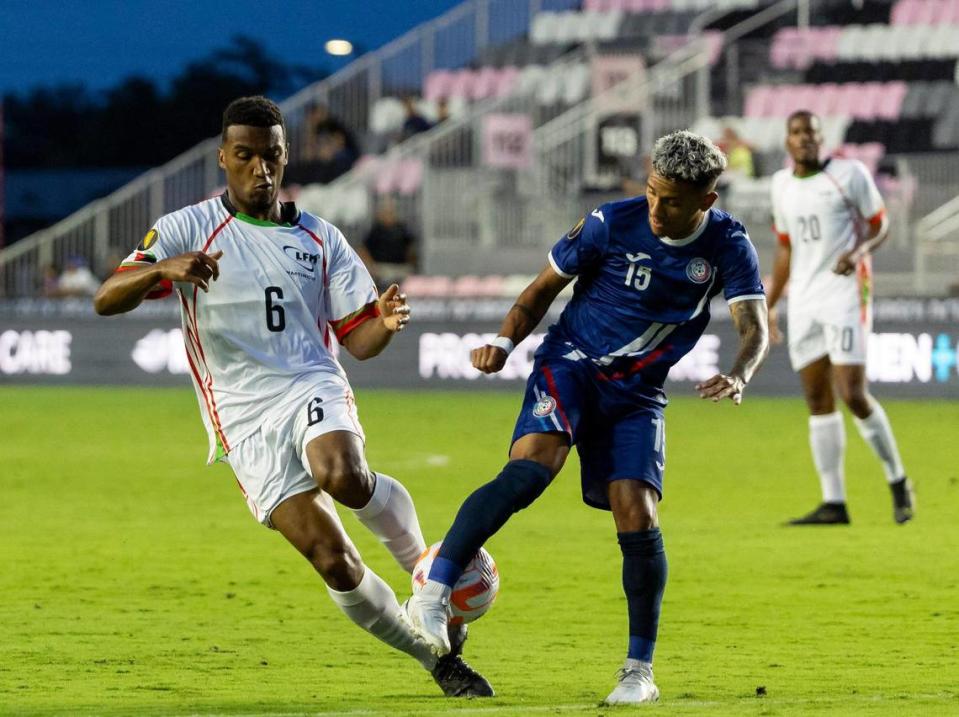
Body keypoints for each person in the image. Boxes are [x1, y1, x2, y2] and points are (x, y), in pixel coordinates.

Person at [93, 96, 492, 698]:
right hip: (241, 418)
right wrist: (160, 270)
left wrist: (382, 321)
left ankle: (428, 580)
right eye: (246, 156)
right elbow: (106, 298)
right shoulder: (184, 228)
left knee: (343, 474)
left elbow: (358, 342)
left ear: (284, 158)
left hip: (310, 382)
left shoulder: (319, 236)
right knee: (334, 560)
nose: (261, 169)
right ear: (224, 158)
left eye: (272, 156)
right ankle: (435, 659)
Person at [407, 130, 769, 704]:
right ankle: (431, 595)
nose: (655, 208)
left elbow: (755, 328)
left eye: (671, 200)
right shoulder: (608, 221)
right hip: (570, 364)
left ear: (707, 199)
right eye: (651, 192)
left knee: (638, 513)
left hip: (636, 393)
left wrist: (742, 372)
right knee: (528, 472)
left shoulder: (728, 246)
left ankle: (638, 673)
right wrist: (504, 342)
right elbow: (541, 290)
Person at [767, 110, 914, 526]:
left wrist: (859, 252)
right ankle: (834, 502)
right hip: (805, 297)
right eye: (797, 133)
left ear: (822, 137)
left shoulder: (848, 175)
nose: (805, 139)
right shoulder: (780, 186)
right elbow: (785, 248)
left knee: (852, 392)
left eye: (811, 132)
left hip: (846, 292)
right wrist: (772, 302)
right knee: (817, 398)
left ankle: (897, 479)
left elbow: (880, 224)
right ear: (787, 140)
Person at [358, 197, 418, 287]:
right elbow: (363, 249)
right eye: (386, 213)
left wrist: (411, 265)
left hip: (401, 269)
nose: (388, 215)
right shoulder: (376, 230)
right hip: (381, 269)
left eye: (391, 213)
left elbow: (411, 248)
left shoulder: (402, 229)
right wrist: (372, 267)